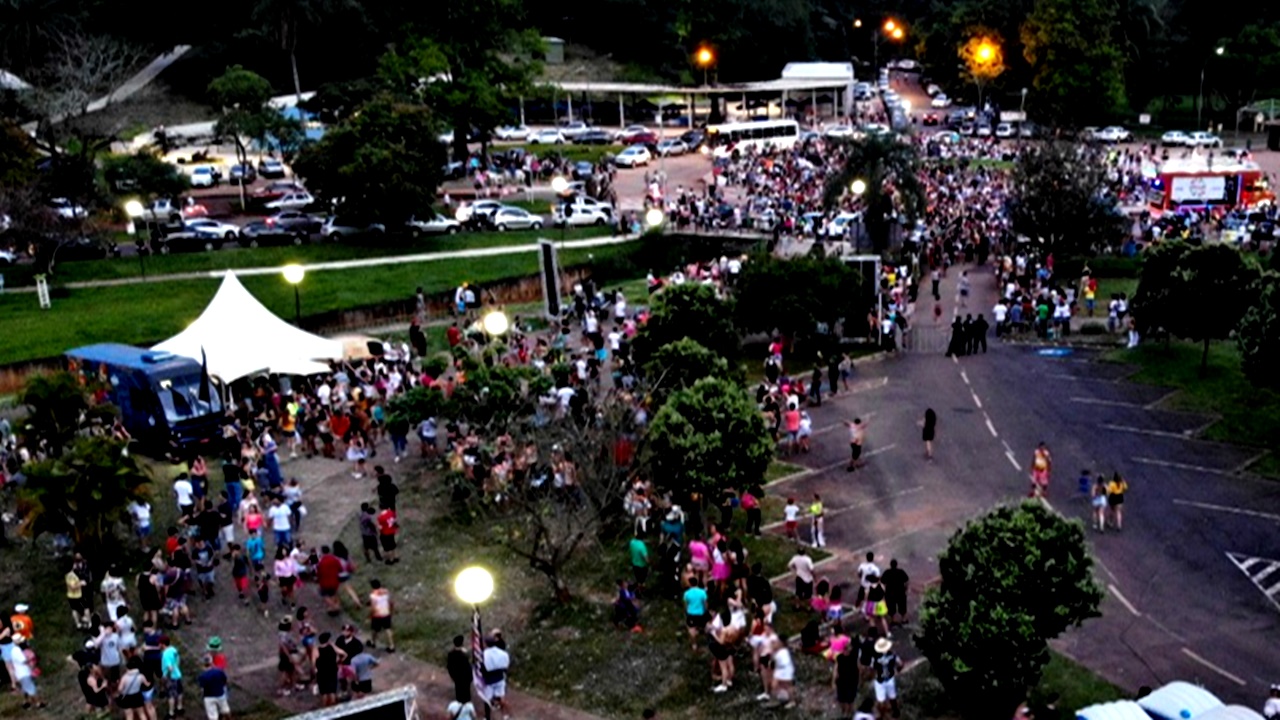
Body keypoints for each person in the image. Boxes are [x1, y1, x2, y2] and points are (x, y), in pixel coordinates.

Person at [872, 637, 903, 719]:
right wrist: (897, 671)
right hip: (890, 678)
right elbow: (900, 664)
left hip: (879, 680)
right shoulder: (892, 655)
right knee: (892, 697)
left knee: (881, 700)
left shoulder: (875, 658)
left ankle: (882, 716)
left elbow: (872, 668)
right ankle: (896, 712)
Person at [482, 635, 511, 719]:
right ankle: (505, 715)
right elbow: (506, 664)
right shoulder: (502, 653)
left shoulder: (484, 654)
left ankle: (487, 717)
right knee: (501, 697)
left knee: (487, 699)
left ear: (486, 644)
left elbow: (482, 666)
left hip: (489, 679)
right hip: (500, 677)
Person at [197, 653, 232, 720]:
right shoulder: (219, 671)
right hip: (220, 694)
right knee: (226, 710)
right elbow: (225, 681)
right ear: (211, 662)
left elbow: (202, 688)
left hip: (208, 697)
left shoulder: (202, 676)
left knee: (212, 716)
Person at [833, 630, 859, 718]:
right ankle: (846, 712)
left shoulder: (851, 656)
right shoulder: (842, 657)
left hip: (850, 681)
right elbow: (836, 669)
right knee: (843, 699)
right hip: (844, 681)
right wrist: (834, 680)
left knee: (849, 699)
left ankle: (848, 713)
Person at [160, 635, 184, 718]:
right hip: (178, 674)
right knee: (180, 692)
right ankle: (180, 707)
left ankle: (171, 713)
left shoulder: (165, 654)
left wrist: (167, 675)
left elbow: (169, 667)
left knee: (171, 696)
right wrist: (176, 668)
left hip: (171, 677)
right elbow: (178, 660)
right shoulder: (174, 649)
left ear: (163, 644)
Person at [368, 579, 395, 652]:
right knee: (388, 629)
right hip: (386, 613)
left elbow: (373, 607)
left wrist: (370, 615)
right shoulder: (386, 592)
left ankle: (372, 642)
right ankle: (392, 646)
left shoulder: (373, 595)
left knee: (374, 629)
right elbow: (391, 602)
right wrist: (391, 610)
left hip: (377, 615)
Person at [682, 578, 708, 652]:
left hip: (691, 613)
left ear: (690, 583)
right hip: (701, 613)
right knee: (704, 627)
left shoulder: (687, 593)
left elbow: (686, 604)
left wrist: (686, 611)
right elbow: (705, 603)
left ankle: (694, 644)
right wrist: (705, 610)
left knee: (691, 629)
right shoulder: (702, 592)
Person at [881, 559, 910, 626]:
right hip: (900, 592)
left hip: (890, 593)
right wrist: (906, 588)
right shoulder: (901, 571)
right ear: (897, 564)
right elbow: (907, 581)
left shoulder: (887, 572)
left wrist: (885, 589)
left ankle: (893, 620)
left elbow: (882, 582)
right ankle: (903, 619)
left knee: (891, 606)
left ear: (890, 565)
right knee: (902, 606)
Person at [447, 635, 473, 703]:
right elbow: (468, 667)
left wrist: (452, 675)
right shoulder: (464, 655)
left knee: (458, 690)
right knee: (466, 692)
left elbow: (449, 666)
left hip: (457, 676)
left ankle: (459, 702)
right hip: (465, 677)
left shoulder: (451, 654)